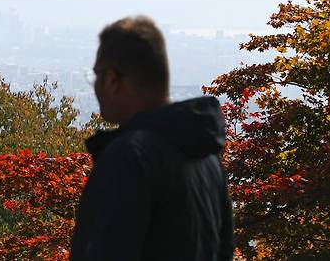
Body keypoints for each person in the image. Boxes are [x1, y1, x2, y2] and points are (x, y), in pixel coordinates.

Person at [70, 16, 234, 260]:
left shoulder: (129, 156)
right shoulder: (205, 155)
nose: (95, 86)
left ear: (114, 79)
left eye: (97, 75)